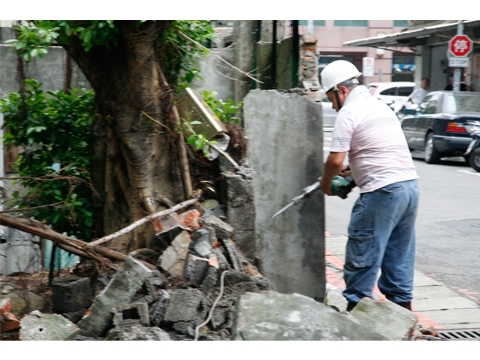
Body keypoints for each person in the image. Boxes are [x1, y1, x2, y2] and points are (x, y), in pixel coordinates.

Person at [319, 60, 420, 312]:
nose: (332, 105)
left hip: (382, 192)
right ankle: (404, 322)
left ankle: (357, 323)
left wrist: (325, 182)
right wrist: (353, 170)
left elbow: (334, 160)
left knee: (362, 257)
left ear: (342, 91)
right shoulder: (380, 106)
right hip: (409, 188)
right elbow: (379, 149)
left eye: (331, 98)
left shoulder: (349, 112)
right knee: (399, 260)